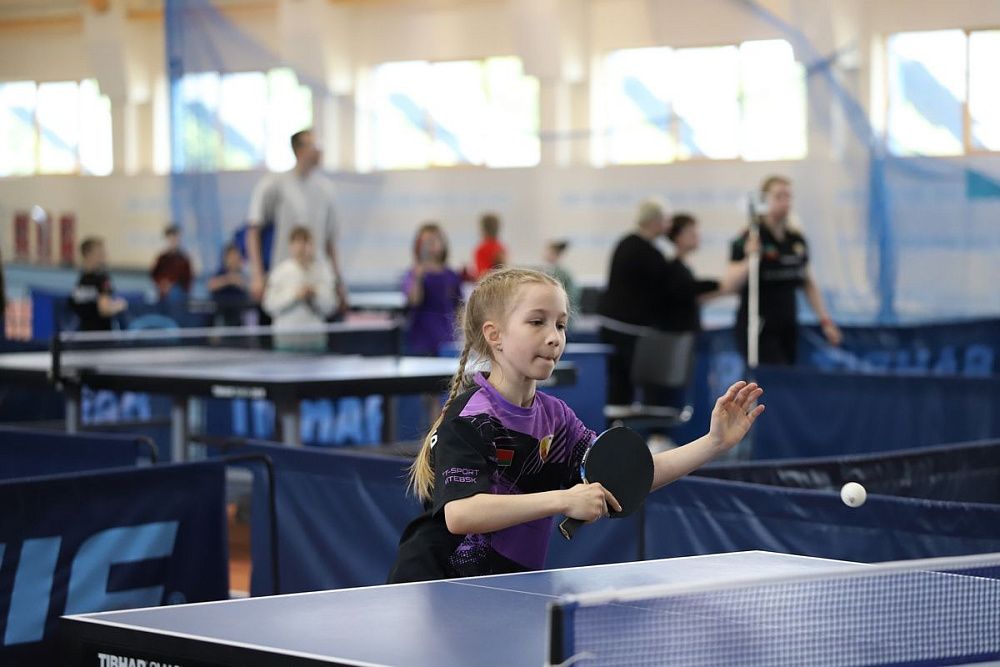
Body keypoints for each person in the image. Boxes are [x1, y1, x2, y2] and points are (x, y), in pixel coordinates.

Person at [387, 267, 764, 582]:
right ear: (494, 335)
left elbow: (625, 474)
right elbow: (461, 514)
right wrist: (564, 499)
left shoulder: (556, 419)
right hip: (436, 584)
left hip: (506, 585)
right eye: (537, 322)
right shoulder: (473, 416)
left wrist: (713, 443)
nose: (554, 337)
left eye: (561, 325)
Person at [726, 175, 842, 365]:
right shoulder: (749, 238)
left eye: (788, 196)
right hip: (758, 327)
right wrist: (749, 259)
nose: (785, 202)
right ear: (765, 200)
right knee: (768, 375)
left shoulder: (796, 239)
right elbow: (729, 284)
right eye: (779, 196)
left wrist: (825, 321)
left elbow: (807, 282)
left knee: (786, 374)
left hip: (787, 325)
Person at [597, 199, 704, 407]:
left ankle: (618, 420)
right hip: (626, 330)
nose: (669, 226)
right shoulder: (646, 252)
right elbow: (673, 289)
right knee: (623, 386)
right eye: (666, 220)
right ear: (654, 221)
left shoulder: (629, 244)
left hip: (617, 326)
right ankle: (619, 422)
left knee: (621, 385)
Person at [246, 129, 348, 314]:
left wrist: (338, 281)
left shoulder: (326, 189)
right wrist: (257, 276)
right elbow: (253, 230)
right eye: (313, 145)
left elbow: (330, 242)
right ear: (298, 150)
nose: (319, 150)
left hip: (317, 278)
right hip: (283, 276)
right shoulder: (274, 184)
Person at [262, 226, 338, 352]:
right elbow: (269, 305)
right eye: (298, 242)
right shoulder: (280, 272)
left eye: (305, 242)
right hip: (286, 341)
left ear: (312, 245)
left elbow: (331, 306)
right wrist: (295, 295)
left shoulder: (323, 271)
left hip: (315, 341)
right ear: (291, 246)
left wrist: (314, 294)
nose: (301, 248)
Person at [403, 223, 463, 356]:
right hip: (421, 342)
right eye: (426, 242)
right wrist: (418, 277)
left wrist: (463, 335)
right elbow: (414, 301)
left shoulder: (451, 275)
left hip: (446, 339)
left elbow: (459, 307)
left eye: (434, 240)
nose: (430, 246)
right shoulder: (413, 274)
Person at [658, 213, 722, 333]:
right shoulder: (674, 269)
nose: (696, 235)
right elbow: (688, 296)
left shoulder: (684, 267)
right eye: (691, 232)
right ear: (678, 237)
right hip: (679, 335)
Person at [70, 237, 127, 331]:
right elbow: (104, 310)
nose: (104, 256)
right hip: (96, 335)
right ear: (88, 254)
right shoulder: (100, 279)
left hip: (92, 333)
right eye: (100, 253)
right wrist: (120, 305)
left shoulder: (82, 279)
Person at [150, 224, 193, 323]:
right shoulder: (162, 258)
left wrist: (171, 285)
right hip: (162, 292)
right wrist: (162, 284)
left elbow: (187, 280)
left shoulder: (184, 259)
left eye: (175, 238)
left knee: (175, 295)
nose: (173, 241)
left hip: (178, 293)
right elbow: (154, 275)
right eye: (171, 238)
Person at [207, 243, 249, 327]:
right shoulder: (221, 273)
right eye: (231, 257)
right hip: (222, 316)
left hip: (239, 316)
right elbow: (211, 285)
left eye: (236, 257)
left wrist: (241, 283)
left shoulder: (243, 274)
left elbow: (251, 290)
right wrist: (229, 279)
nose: (233, 260)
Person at [542, 239, 579, 311]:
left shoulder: (562, 273)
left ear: (556, 254)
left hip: (565, 309)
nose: (545, 254)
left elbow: (571, 297)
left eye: (549, 252)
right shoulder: (550, 270)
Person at [470, 212, 507, 280]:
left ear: (483, 229)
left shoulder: (481, 249)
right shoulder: (501, 247)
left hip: (487, 283)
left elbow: (482, 274)